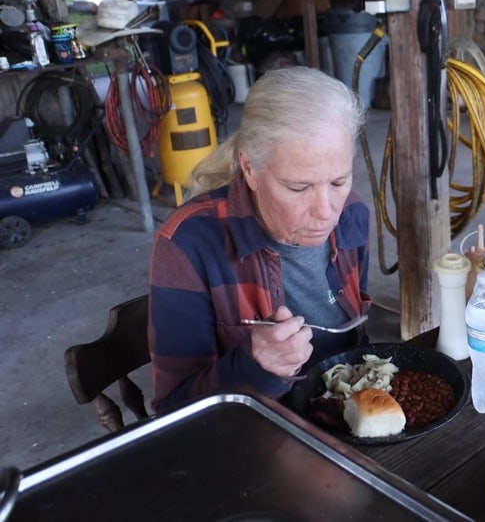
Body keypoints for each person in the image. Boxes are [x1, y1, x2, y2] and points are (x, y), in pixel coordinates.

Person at [148, 67, 371, 413]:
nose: (326, 212)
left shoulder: (352, 214)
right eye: (298, 188)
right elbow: (173, 411)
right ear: (249, 169)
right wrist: (255, 365)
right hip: (255, 434)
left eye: (339, 182)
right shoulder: (188, 245)